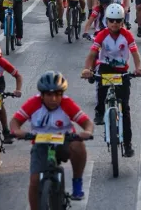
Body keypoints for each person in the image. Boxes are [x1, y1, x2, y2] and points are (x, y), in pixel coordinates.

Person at [10, 72, 94, 206]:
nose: (54, 99)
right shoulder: (33, 103)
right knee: (34, 181)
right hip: (40, 143)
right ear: (42, 95)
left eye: (58, 94)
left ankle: (77, 182)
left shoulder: (67, 104)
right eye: (49, 95)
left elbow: (87, 123)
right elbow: (15, 121)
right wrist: (16, 131)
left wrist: (87, 132)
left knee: (79, 145)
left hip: (64, 142)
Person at [81, 4, 141, 157]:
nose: (114, 24)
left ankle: (128, 145)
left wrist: (138, 68)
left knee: (126, 109)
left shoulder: (127, 35)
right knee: (101, 90)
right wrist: (87, 69)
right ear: (106, 21)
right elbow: (91, 54)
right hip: (105, 68)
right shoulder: (102, 35)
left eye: (118, 21)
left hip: (122, 71)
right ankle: (100, 111)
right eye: (111, 21)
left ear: (122, 21)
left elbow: (135, 54)